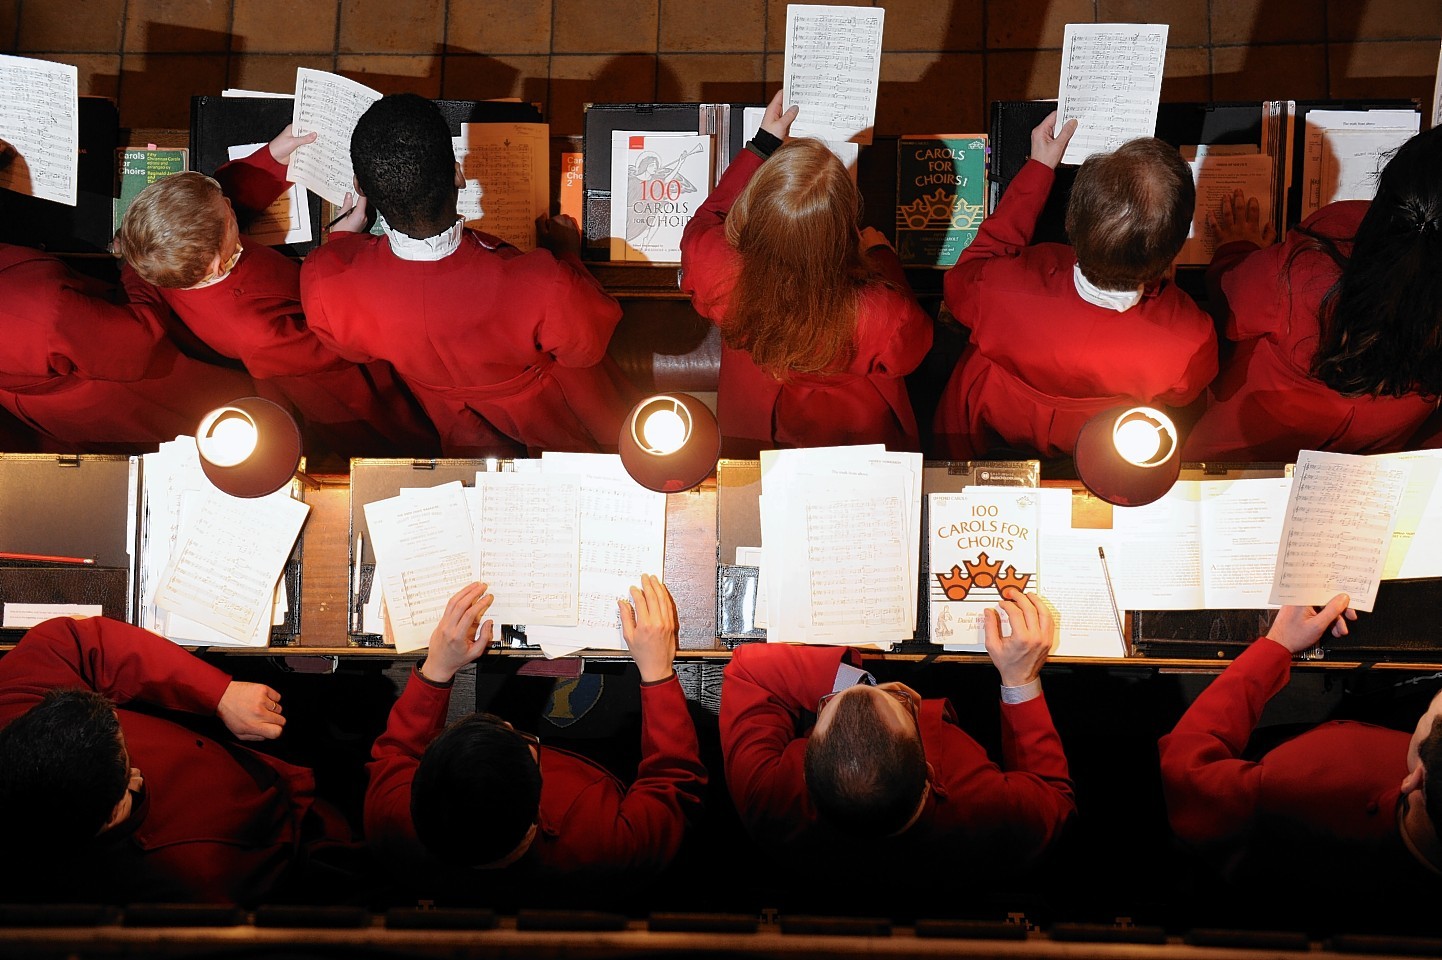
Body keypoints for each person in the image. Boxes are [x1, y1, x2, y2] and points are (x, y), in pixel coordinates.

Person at [301, 94, 635, 457]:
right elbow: (587, 348)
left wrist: (344, 240)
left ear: (361, 187)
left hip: (453, 420)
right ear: (458, 175)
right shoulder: (544, 282)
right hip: (553, 409)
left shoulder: (325, 282)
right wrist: (566, 253)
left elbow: (353, 350)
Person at [365, 576, 706, 901]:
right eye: (522, 741)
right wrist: (658, 671)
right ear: (535, 819)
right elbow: (673, 779)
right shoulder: (612, 846)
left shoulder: (390, 822)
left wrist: (437, 669)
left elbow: (396, 752)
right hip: (607, 758)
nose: (510, 724)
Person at [114, 125, 439, 460]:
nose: (229, 203)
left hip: (303, 309)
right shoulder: (257, 332)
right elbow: (335, 341)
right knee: (402, 423)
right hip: (337, 377)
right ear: (214, 264)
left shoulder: (171, 261)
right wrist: (343, 245)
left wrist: (274, 158)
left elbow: (218, 203)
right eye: (229, 218)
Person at [720, 589, 1074, 879]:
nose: (892, 691)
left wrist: (860, 685)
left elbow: (749, 670)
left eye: (833, 705)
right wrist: (1020, 678)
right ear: (930, 774)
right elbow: (1053, 798)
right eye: (899, 702)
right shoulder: (990, 813)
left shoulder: (770, 802)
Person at [0, 615, 354, 904]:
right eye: (127, 766)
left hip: (231, 745)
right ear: (111, 815)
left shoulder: (11, 712)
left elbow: (74, 641)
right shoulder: (197, 875)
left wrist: (217, 693)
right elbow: (277, 847)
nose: (137, 770)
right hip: (289, 816)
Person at [931, 114, 1217, 459]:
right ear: (1174, 250)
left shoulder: (999, 288)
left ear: (1070, 224)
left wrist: (1038, 169)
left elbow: (966, 276)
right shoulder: (1189, 336)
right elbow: (1182, 394)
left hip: (988, 419)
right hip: (1104, 447)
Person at [1159, 595, 1442, 923]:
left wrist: (1276, 645)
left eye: (1434, 713)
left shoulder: (1286, 793)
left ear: (1416, 777)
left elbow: (1184, 768)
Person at [680, 91, 934, 457]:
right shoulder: (882, 312)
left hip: (758, 410)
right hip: (856, 425)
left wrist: (763, 145)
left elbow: (709, 217)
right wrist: (882, 258)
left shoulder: (712, 263)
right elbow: (911, 352)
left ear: (753, 210)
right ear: (843, 232)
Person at [1182, 126, 1442, 461]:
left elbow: (1231, 306)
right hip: (1377, 454)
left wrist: (1236, 250)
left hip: (1250, 443)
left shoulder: (1321, 251)